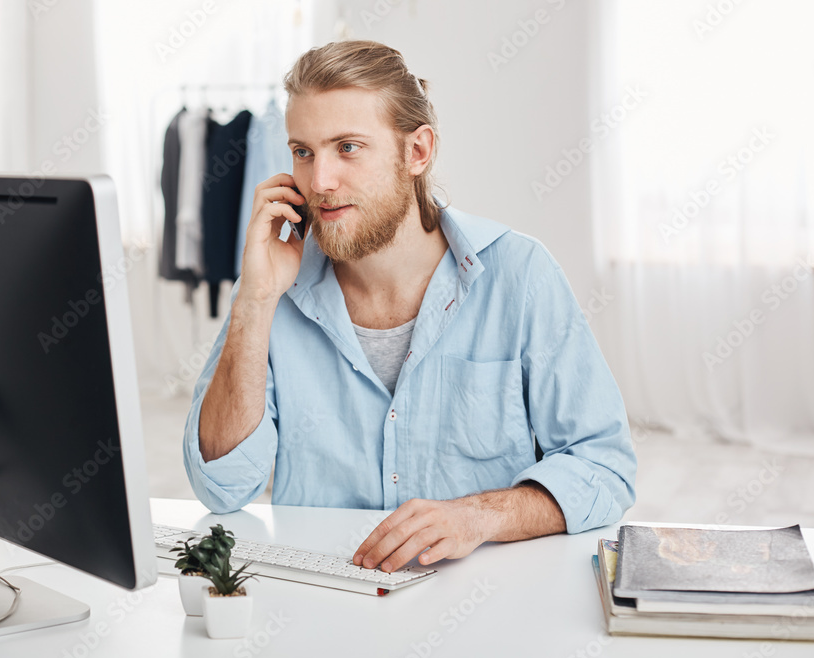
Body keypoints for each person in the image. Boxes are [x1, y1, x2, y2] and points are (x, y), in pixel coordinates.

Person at [182, 40, 636, 574]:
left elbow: (605, 468)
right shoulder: (272, 287)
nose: (320, 182)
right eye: (303, 152)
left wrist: (478, 516)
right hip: (327, 608)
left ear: (417, 152)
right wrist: (256, 300)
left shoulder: (520, 275)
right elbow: (222, 486)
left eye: (347, 147)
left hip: (483, 606)